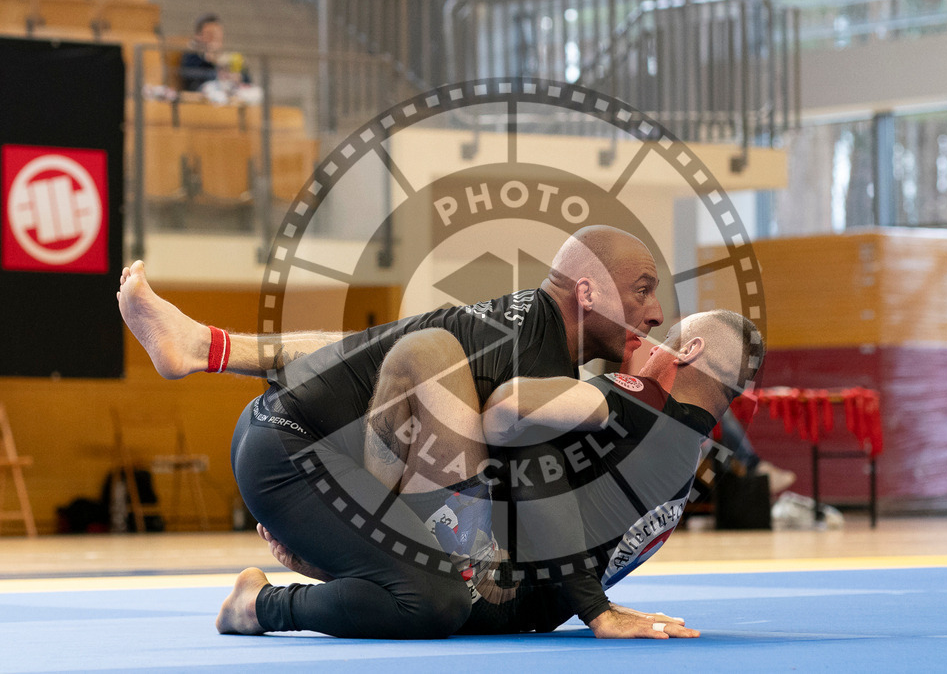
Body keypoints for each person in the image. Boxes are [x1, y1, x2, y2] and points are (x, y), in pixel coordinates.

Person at [117, 225, 669, 639]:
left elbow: (363, 347)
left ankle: (202, 349)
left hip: (290, 436)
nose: (656, 313)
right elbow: (537, 497)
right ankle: (260, 606)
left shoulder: (516, 325)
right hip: (292, 451)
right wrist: (598, 612)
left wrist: (218, 348)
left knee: (455, 579)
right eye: (642, 291)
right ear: (588, 293)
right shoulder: (537, 361)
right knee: (437, 602)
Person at [227, 309, 762, 639]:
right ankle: (329, 565)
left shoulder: (638, 399)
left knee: (429, 347)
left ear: (688, 351)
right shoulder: (689, 458)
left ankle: (226, 353)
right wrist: (589, 603)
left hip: (488, 578)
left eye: (665, 338)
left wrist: (595, 609)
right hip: (525, 608)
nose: (648, 341)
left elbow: (517, 423)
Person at [180, 13, 251, 94]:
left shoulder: (229, 57)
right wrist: (209, 61)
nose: (214, 38)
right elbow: (191, 78)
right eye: (209, 34)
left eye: (217, 34)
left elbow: (247, 79)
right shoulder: (192, 55)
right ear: (198, 36)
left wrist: (239, 77)